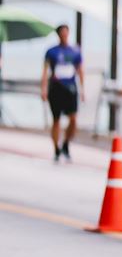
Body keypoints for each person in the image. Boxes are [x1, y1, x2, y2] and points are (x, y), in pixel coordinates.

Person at [40, 24, 84, 163]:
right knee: (56, 120)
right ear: (58, 34)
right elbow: (45, 71)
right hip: (56, 88)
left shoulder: (75, 51)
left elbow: (80, 70)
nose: (64, 35)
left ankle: (66, 144)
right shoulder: (51, 52)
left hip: (71, 88)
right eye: (62, 33)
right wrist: (44, 89)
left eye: (66, 32)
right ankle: (56, 149)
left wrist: (83, 90)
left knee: (73, 119)